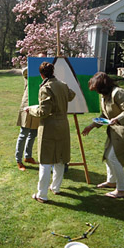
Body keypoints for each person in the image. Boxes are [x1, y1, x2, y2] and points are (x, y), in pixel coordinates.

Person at [81, 72, 124, 199]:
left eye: (97, 89)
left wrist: (117, 119)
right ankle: (111, 182)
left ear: (102, 86)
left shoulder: (118, 93)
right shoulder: (104, 96)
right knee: (108, 155)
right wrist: (91, 126)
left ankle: (121, 190)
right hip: (115, 131)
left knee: (113, 158)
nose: (96, 92)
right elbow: (105, 116)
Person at [26, 62, 76, 203]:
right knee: (60, 158)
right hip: (63, 125)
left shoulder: (45, 88)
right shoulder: (62, 85)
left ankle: (42, 195)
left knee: (45, 160)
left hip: (49, 126)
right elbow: (72, 95)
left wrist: (30, 109)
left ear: (41, 74)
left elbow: (43, 112)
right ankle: (56, 187)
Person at [14, 67, 40, 171]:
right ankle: (18, 160)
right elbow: (24, 71)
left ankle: (28, 156)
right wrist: (34, 63)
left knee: (33, 133)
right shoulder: (29, 73)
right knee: (23, 133)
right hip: (27, 104)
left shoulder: (45, 73)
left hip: (38, 105)